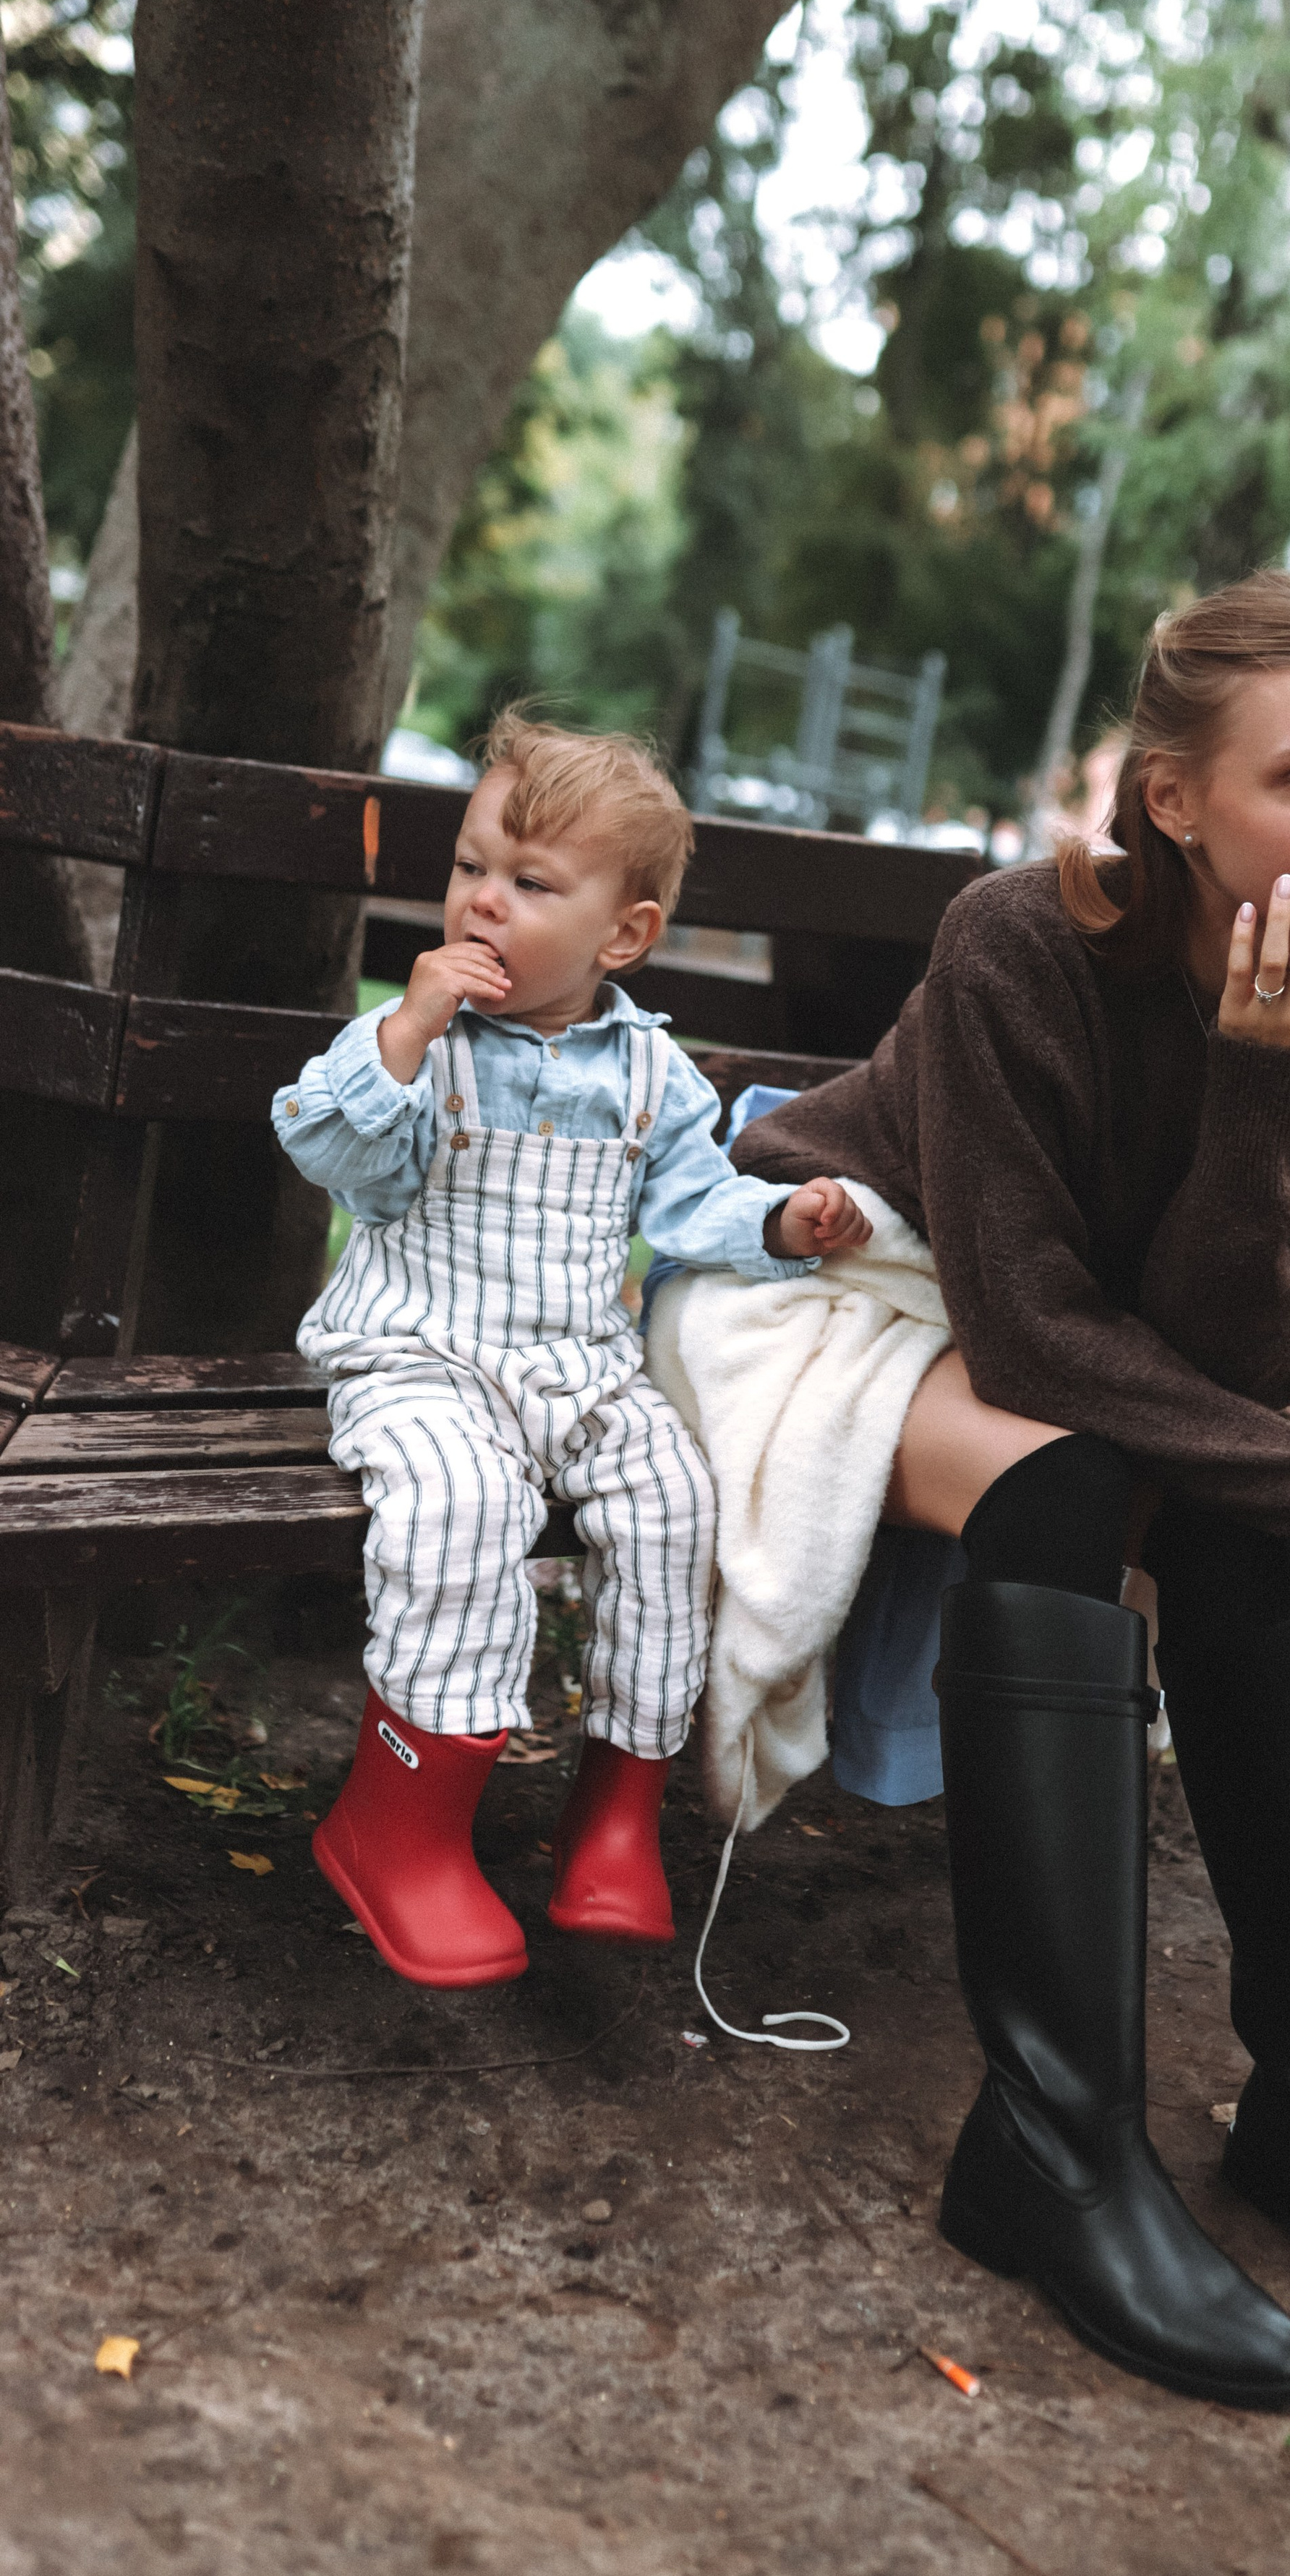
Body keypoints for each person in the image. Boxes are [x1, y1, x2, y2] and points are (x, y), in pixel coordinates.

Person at [727, 570, 1290, 2407]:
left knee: (1227, 1508)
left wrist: (1263, 1101)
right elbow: (1037, 1343)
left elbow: (1225, 1367)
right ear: (1174, 798)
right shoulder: (1016, 947)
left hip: (1047, 1345)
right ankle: (1053, 2150)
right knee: (1074, 1484)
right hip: (832, 1275)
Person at [273, 715, 868, 1989]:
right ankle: (401, 1826)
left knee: (672, 1500)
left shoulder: (650, 1074)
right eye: (471, 867)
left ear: (623, 935)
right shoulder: (418, 1043)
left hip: (575, 1365)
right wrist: (405, 1031)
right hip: (419, 1355)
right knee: (462, 1501)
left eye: (531, 884)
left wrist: (777, 1221)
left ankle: (612, 1816)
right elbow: (333, 1153)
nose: (483, 900)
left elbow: (690, 1210)